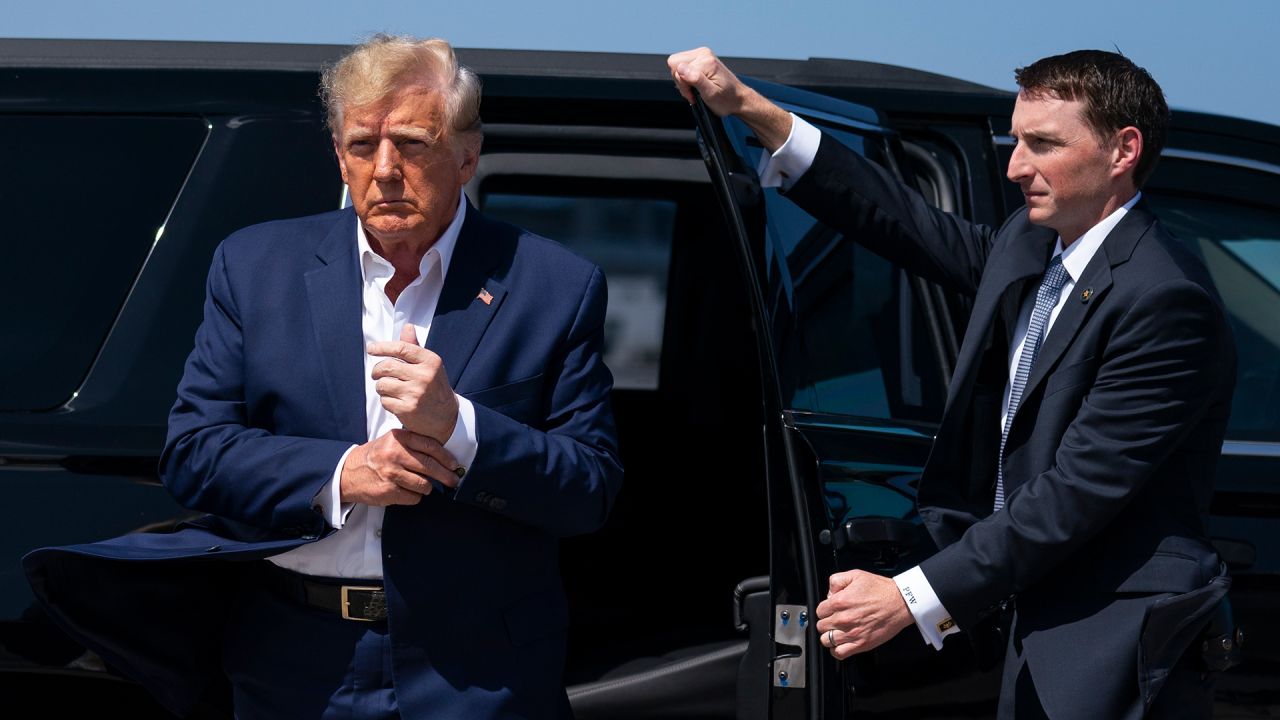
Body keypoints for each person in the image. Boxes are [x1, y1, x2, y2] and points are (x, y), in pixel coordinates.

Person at [26, 35, 622, 720]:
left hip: (479, 672)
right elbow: (194, 454)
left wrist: (459, 429)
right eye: (363, 145)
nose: (386, 169)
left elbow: (588, 490)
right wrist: (342, 473)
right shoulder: (254, 268)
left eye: (413, 143)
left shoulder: (554, 285)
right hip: (298, 662)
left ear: (466, 154)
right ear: (339, 156)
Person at [669, 47, 1234, 719]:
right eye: (1016, 140)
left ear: (1123, 150)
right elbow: (902, 220)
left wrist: (908, 596)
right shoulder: (1029, 247)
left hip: (1111, 635)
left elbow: (1073, 494)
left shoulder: (1166, 299)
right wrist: (751, 111)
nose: (1015, 166)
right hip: (1033, 611)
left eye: (1043, 144)